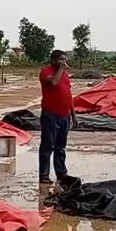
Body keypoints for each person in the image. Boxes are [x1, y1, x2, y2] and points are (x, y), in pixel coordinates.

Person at [38, 50, 76, 184]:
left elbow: (69, 95)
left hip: (65, 115)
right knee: (48, 145)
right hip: (50, 114)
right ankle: (44, 175)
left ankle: (61, 173)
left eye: (64, 59)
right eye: (61, 59)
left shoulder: (65, 76)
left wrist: (73, 114)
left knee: (61, 146)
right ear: (53, 60)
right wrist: (60, 69)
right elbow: (53, 82)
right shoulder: (46, 72)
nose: (64, 62)